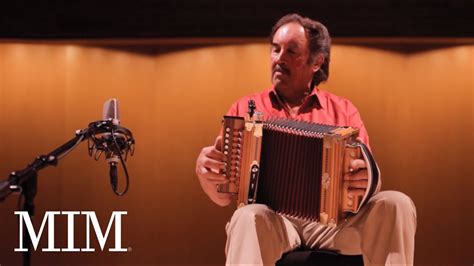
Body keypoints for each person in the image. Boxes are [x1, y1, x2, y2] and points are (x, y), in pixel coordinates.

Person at [196, 13, 416, 266]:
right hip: (274, 222)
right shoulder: (244, 108)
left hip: (334, 226)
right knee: (247, 215)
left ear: (316, 61)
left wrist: (366, 180)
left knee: (397, 203)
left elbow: (367, 177)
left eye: (292, 51)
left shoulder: (343, 110)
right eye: (276, 49)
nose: (279, 58)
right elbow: (223, 195)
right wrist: (207, 174)